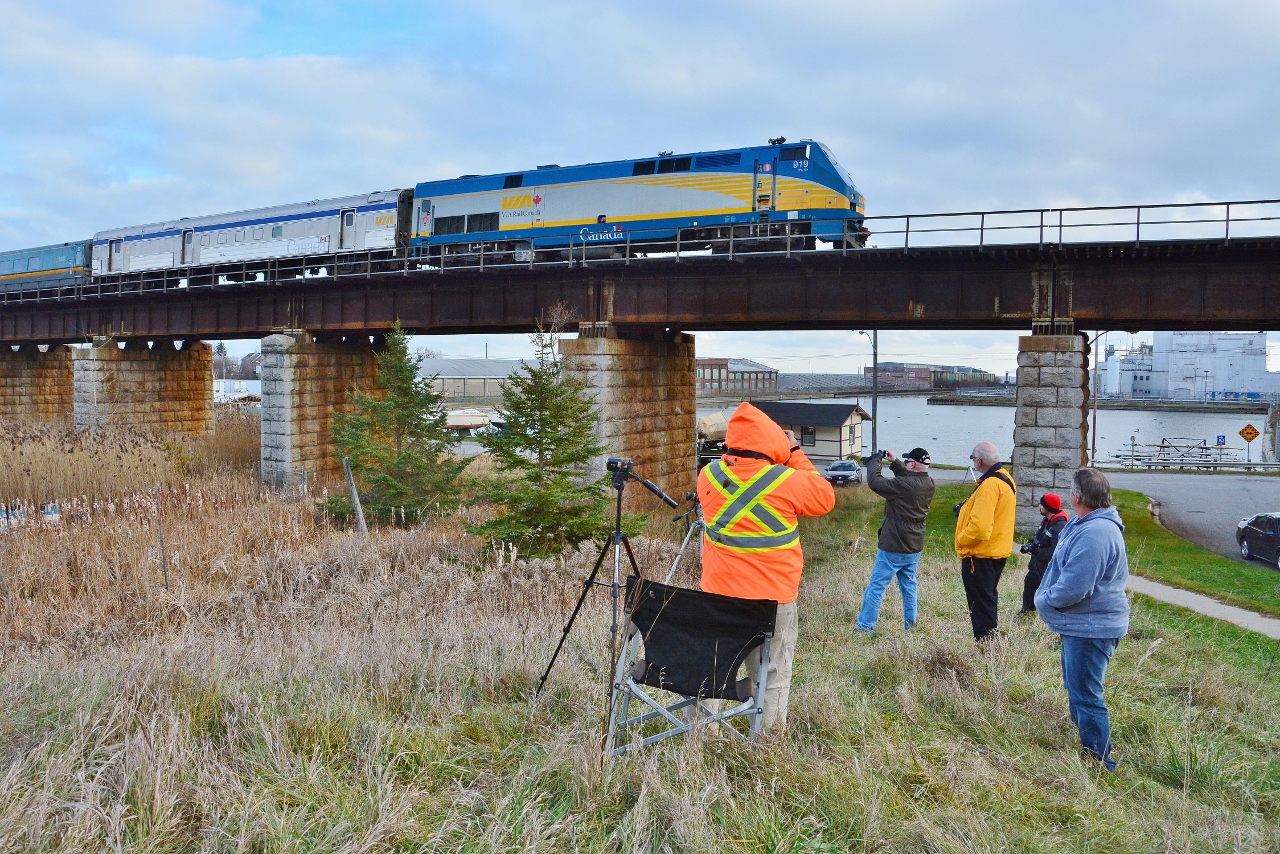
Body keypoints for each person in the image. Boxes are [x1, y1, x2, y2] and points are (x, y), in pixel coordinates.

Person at [697, 401, 836, 730]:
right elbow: (824, 497)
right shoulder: (787, 480)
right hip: (772, 601)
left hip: (718, 597)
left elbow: (737, 483)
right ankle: (767, 745)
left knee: (713, 670)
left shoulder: (709, 476)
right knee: (771, 676)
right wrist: (792, 450)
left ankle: (703, 739)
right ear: (771, 441)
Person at [1035, 468, 1129, 771]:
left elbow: (1076, 585)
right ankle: (1089, 748)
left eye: (1071, 489)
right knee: (1076, 687)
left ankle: (1100, 763)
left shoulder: (1097, 532)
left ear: (1077, 496)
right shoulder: (1084, 523)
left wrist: (1046, 600)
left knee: (1087, 695)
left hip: (1092, 627)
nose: (1069, 493)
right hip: (1082, 624)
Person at [856, 447, 936, 634]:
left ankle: (865, 627)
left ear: (914, 464)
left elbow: (876, 483)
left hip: (894, 544)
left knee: (877, 587)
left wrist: (874, 461)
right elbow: (910, 480)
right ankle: (911, 625)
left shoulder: (904, 485)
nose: (906, 464)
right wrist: (896, 463)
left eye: (908, 462)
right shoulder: (929, 483)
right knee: (909, 586)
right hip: (914, 545)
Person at [954, 441, 1017, 641]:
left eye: (972, 458)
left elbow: (980, 528)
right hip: (996, 551)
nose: (973, 461)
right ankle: (990, 643)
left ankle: (987, 646)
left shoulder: (990, 485)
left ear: (979, 461)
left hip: (980, 556)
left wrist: (962, 538)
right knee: (987, 601)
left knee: (980, 605)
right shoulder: (1006, 478)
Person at [1019, 493, 1069, 614]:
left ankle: (1042, 614)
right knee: (1030, 583)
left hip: (1047, 570)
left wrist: (1035, 550)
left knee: (1046, 593)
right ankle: (1028, 611)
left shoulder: (1059, 526)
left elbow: (1054, 553)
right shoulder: (1047, 520)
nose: (1039, 506)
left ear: (1048, 507)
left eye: (1042, 504)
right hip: (1037, 567)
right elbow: (1041, 538)